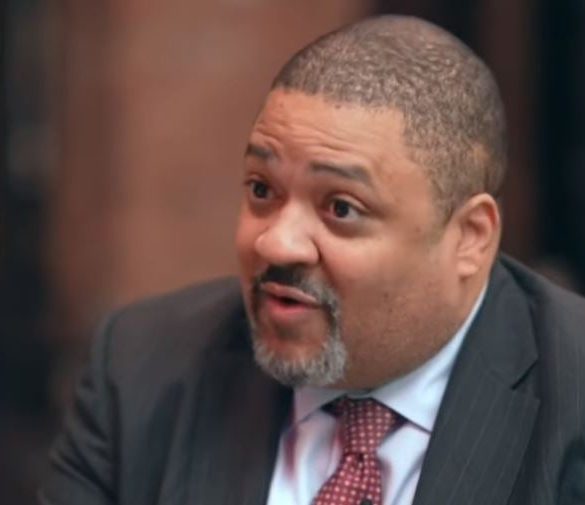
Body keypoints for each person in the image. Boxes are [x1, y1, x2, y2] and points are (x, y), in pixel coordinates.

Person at [40, 15, 585, 505]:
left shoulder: (572, 402)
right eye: (262, 189)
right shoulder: (144, 367)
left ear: (470, 237)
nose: (276, 244)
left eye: (341, 208)